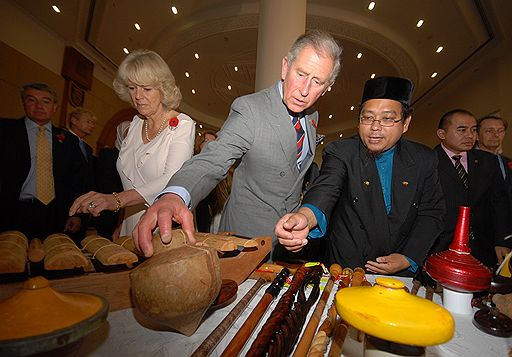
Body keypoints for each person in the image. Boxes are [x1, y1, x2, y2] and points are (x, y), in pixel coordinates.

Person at [132, 30, 342, 258]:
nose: (304, 90)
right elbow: (212, 160)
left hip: (288, 242)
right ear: (285, 67)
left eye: (317, 82)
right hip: (244, 241)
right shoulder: (250, 110)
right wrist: (174, 196)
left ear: (328, 86)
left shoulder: (312, 117)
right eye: (301, 74)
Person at [275, 76, 445, 276]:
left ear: (405, 123)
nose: (375, 127)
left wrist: (408, 257)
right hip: (347, 265)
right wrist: (305, 216)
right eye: (367, 117)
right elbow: (326, 188)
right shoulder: (342, 151)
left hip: (400, 270)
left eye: (388, 118)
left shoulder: (424, 158)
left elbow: (432, 213)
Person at [69, 49, 195, 237]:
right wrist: (121, 222)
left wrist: (116, 200)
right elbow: (130, 181)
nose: (137, 96)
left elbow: (173, 179)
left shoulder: (182, 125)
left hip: (164, 227)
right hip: (129, 225)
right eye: (132, 88)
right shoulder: (135, 125)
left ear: (163, 88)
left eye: (146, 88)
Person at [0, 83, 86, 239]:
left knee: (53, 260)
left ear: (54, 107)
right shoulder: (5, 131)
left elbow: (76, 180)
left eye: (46, 101)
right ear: (23, 103)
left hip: (55, 213)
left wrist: (76, 213)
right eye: (32, 100)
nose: (39, 106)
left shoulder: (68, 140)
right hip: (12, 210)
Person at [431, 109, 511, 268]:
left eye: (474, 130)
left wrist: (502, 240)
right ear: (442, 134)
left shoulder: (488, 162)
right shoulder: (428, 162)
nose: (470, 135)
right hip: (440, 247)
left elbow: (499, 203)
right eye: (462, 130)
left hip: (483, 248)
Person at [476, 116, 512, 203]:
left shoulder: (508, 162)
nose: (496, 135)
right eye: (489, 131)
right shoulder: (466, 161)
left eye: (500, 131)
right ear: (476, 135)